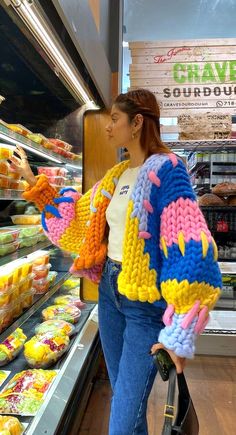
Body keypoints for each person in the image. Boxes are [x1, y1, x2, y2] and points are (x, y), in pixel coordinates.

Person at [10, 89, 222, 435]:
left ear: (137, 123)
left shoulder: (167, 170)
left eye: (114, 119)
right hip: (110, 293)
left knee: (122, 415)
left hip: (144, 305)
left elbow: (190, 247)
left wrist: (180, 330)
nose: (108, 127)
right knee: (126, 397)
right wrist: (35, 182)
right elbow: (79, 218)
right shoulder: (117, 175)